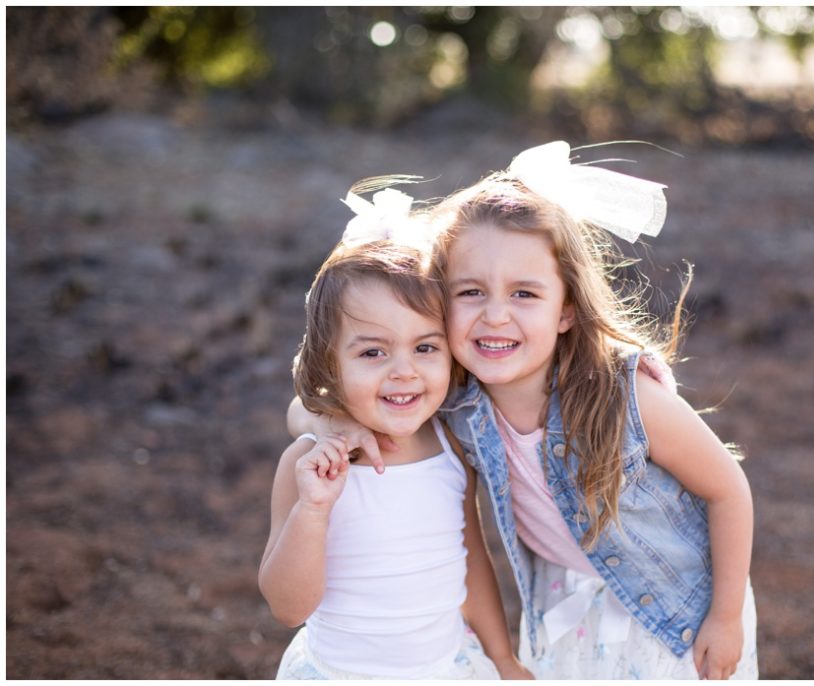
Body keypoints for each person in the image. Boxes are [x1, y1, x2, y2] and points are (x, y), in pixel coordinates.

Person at [289, 143, 758, 679]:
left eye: (524, 294)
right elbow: (306, 406)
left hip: (676, 606)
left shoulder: (626, 396)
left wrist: (725, 618)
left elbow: (728, 490)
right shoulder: (454, 394)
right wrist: (335, 421)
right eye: (470, 291)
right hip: (563, 597)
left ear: (566, 309)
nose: (495, 316)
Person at [261, 188, 532, 680]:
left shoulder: (452, 448)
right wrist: (313, 510)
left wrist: (502, 657)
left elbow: (469, 564)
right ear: (330, 363)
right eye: (372, 353)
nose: (404, 372)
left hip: (445, 668)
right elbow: (287, 608)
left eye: (425, 348)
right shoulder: (310, 466)